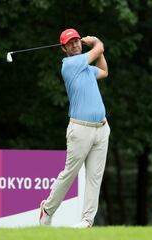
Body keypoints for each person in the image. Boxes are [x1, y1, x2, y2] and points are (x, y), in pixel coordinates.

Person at [39, 28, 110, 228]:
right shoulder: (70, 64)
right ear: (63, 48)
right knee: (70, 173)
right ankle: (48, 209)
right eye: (70, 43)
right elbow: (98, 48)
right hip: (80, 130)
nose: (75, 44)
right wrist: (96, 41)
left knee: (95, 177)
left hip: (102, 128)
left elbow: (104, 71)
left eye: (77, 41)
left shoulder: (85, 67)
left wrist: (99, 51)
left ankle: (87, 221)